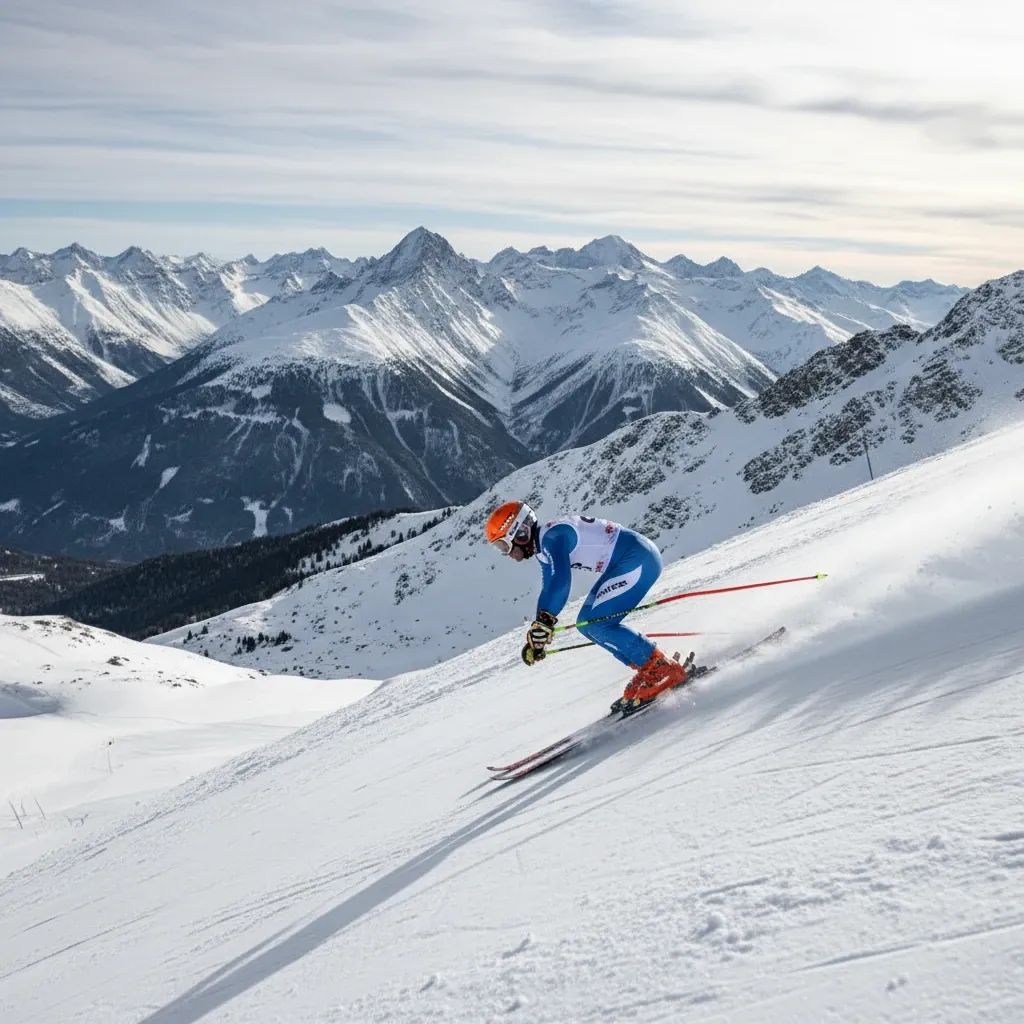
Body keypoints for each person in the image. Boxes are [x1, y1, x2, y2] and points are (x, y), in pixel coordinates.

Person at [484, 500, 689, 712]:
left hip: (637, 560)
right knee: (586, 624)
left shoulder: (553, 537)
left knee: (594, 624)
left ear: (520, 533)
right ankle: (650, 668)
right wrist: (539, 631)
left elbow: (561, 582)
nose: (506, 553)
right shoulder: (543, 546)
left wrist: (543, 624)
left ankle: (661, 669)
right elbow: (549, 588)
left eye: (504, 545)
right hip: (630, 560)